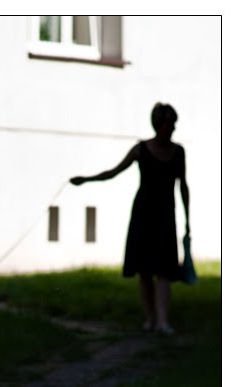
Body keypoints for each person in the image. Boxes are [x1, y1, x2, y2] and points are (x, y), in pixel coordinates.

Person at [70, 102, 190, 334]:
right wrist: (86, 179)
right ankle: (151, 319)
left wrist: (187, 219)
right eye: (169, 124)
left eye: (174, 124)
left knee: (165, 270)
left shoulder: (178, 152)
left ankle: (163, 321)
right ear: (159, 125)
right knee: (145, 270)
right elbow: (113, 172)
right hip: (144, 214)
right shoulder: (141, 150)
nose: (173, 128)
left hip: (166, 216)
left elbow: (183, 185)